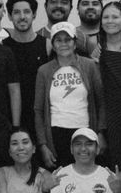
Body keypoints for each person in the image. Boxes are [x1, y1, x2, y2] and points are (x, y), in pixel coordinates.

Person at [33, 21, 104, 167]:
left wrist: (101, 133)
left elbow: (101, 102)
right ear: (53, 45)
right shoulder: (44, 71)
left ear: (75, 43)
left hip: (85, 131)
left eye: (67, 39)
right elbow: (38, 110)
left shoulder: (89, 65)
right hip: (56, 135)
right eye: (58, 40)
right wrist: (43, 145)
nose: (63, 44)